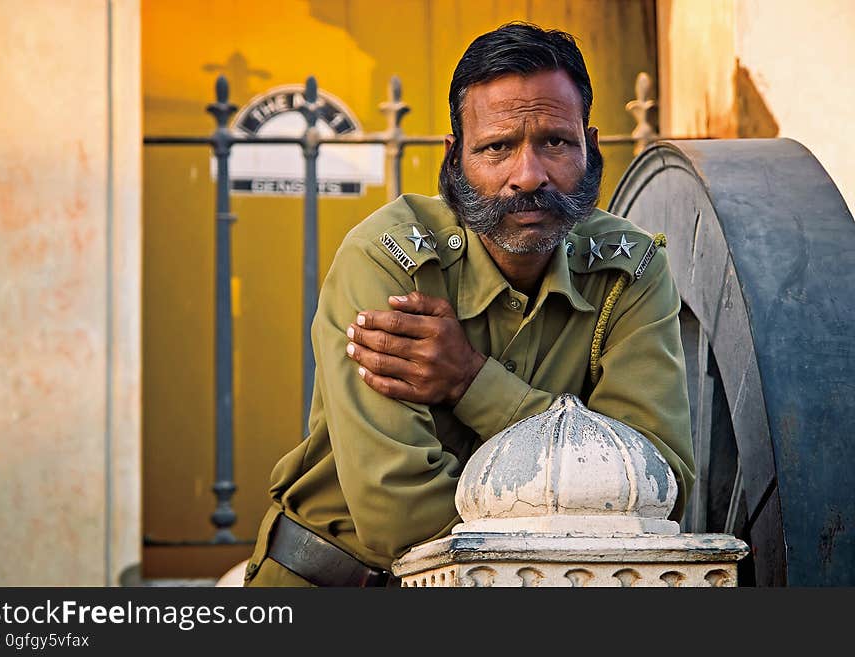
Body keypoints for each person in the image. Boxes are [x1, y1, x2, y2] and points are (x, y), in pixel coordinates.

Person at [244, 22, 695, 587]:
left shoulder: (629, 270)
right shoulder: (387, 261)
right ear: (455, 158)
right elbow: (399, 516)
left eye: (555, 142)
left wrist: (470, 380)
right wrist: (575, 513)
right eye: (497, 148)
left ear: (591, 147)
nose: (527, 176)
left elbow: (657, 486)